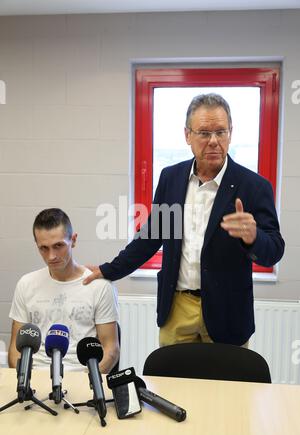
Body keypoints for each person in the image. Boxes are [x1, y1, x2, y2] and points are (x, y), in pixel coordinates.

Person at [84, 93, 285, 347]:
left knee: (228, 387)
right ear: (187, 135)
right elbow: (151, 238)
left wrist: (254, 237)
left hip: (228, 313)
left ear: (230, 133)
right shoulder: (171, 178)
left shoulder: (254, 186)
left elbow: (274, 251)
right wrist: (108, 270)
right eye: (203, 133)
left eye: (221, 132)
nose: (213, 141)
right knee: (172, 384)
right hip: (177, 308)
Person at [8, 208, 119, 373]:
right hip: (35, 376)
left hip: (81, 375)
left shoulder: (100, 286)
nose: (51, 256)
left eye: (58, 246)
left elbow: (111, 349)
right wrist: (24, 379)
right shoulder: (26, 284)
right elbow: (15, 350)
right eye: (43, 248)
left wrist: (88, 383)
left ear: (73, 240)